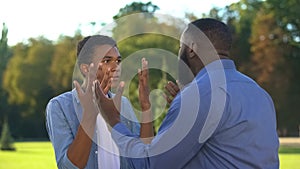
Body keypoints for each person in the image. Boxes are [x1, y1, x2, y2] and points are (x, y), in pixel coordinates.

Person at [95, 18, 280, 168]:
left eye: (180, 47)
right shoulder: (259, 93)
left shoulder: (199, 96)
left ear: (191, 48)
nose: (178, 54)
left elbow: (152, 164)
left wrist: (114, 121)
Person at [46, 35, 153, 169]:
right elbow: (68, 166)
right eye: (107, 61)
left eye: (118, 61)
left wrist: (146, 108)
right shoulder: (59, 106)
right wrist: (90, 114)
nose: (116, 67)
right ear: (85, 68)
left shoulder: (123, 103)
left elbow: (143, 157)